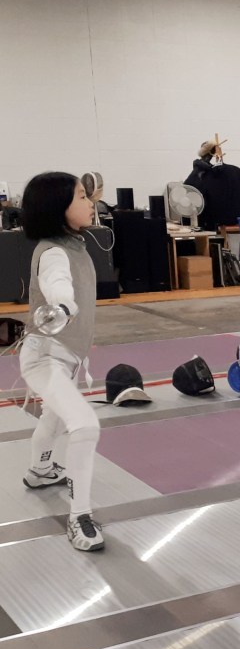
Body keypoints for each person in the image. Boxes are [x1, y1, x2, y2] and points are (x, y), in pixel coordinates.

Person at [18, 172, 105, 551]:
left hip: (63, 356)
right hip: (45, 359)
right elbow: (57, 284)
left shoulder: (74, 244)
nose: (90, 203)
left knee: (53, 418)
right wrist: (63, 304)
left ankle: (39, 472)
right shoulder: (54, 251)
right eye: (82, 197)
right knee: (84, 425)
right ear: (58, 208)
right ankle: (78, 517)